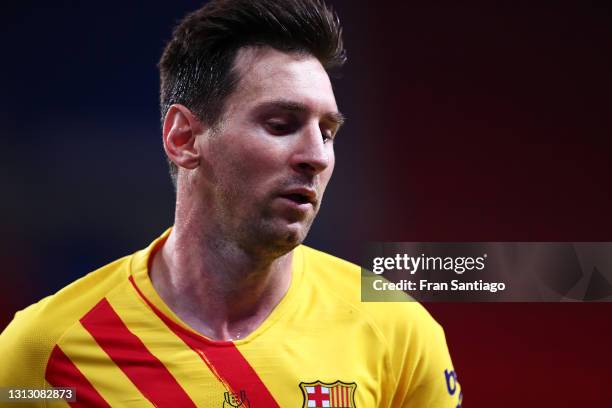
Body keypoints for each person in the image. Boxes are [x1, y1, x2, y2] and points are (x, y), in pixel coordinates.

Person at [0, 0, 462, 406]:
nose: (317, 157)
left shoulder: (398, 333)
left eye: (328, 132)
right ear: (184, 138)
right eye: (281, 124)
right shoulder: (42, 356)